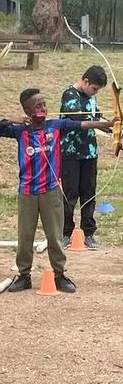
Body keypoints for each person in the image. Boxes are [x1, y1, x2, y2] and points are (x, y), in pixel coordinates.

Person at [0, 88, 113, 294]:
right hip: (27, 191)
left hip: (51, 190)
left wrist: (108, 124)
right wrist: (14, 120)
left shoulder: (56, 126)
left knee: (54, 235)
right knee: (25, 236)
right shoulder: (20, 130)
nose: (43, 108)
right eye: (38, 106)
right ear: (28, 110)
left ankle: (60, 274)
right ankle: (24, 275)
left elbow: (83, 124)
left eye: (44, 104)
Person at [60, 65, 108, 250]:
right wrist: (104, 123)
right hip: (70, 153)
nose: (95, 92)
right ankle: (65, 233)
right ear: (85, 81)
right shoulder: (69, 95)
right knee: (70, 193)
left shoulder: (92, 98)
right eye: (94, 88)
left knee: (89, 192)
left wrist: (113, 126)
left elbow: (98, 118)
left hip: (89, 152)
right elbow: (80, 120)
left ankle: (88, 233)